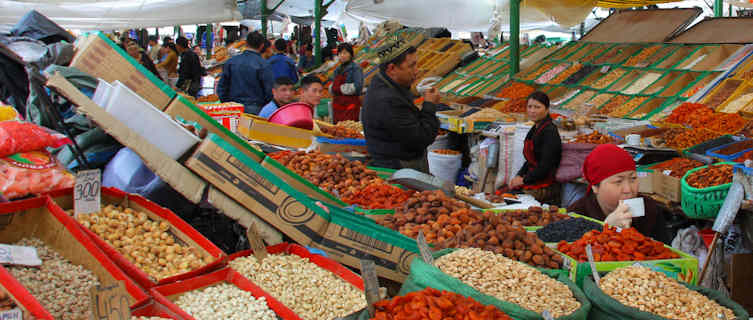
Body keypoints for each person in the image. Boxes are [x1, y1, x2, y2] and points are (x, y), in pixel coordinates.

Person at [361, 40, 440, 172]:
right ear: (392, 69)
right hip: (397, 169)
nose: (417, 71)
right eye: (412, 66)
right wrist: (430, 105)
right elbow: (421, 137)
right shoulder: (388, 100)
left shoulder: (384, 84)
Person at [568, 144, 669, 243]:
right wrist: (605, 231)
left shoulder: (650, 210)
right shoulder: (576, 217)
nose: (628, 189)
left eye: (633, 179)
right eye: (618, 182)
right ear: (595, 187)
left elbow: (666, 253)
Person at [509, 91, 562, 204]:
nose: (532, 111)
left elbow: (545, 165)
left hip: (545, 185)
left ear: (547, 109)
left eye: (537, 107)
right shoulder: (535, 129)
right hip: (533, 178)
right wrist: (518, 176)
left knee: (512, 201)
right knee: (505, 194)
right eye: (530, 107)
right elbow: (529, 161)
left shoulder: (550, 132)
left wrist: (523, 180)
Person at [217, 32, 275, 115]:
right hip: (256, 108)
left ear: (246, 44)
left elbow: (222, 87)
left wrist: (227, 102)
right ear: (262, 46)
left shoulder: (231, 62)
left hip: (233, 107)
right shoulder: (263, 64)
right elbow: (269, 90)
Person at [330, 43, 364, 123]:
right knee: (338, 129)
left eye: (345, 53)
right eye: (340, 53)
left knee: (349, 128)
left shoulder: (356, 68)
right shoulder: (337, 70)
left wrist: (340, 88)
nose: (342, 55)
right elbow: (333, 85)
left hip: (350, 105)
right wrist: (333, 88)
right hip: (337, 104)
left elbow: (358, 87)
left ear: (350, 54)